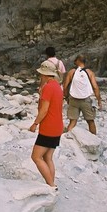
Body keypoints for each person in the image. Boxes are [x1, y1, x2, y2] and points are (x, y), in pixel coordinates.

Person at [29, 60, 63, 189]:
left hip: (48, 127)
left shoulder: (48, 88)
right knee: (48, 157)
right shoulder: (57, 86)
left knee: (36, 157)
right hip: (57, 126)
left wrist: (35, 123)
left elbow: (43, 110)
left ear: (43, 74)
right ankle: (51, 184)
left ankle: (51, 185)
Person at [63, 55, 102, 135]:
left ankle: (68, 138)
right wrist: (99, 101)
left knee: (73, 121)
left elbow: (65, 86)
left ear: (78, 61)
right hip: (86, 100)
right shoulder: (89, 72)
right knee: (90, 121)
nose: (74, 62)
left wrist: (66, 97)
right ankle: (93, 139)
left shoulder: (72, 72)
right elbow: (95, 87)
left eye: (75, 60)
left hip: (73, 100)